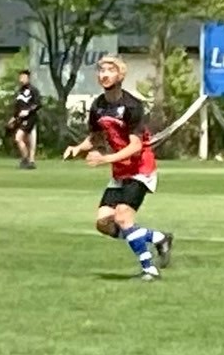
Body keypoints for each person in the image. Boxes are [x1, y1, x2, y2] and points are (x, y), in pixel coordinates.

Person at [62, 56, 174, 281]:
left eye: (110, 70)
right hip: (120, 171)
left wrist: (106, 159)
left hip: (140, 169)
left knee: (123, 218)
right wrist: (77, 148)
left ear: (120, 75)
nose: (104, 74)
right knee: (104, 223)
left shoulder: (132, 106)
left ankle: (149, 270)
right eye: (101, 70)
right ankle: (158, 238)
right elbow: (95, 137)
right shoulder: (98, 105)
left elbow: (135, 146)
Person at [7, 69, 41, 169]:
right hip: (21, 119)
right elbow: (17, 107)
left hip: (30, 118)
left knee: (18, 138)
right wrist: (13, 118)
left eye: (23, 77)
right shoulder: (20, 91)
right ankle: (29, 160)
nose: (21, 79)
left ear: (28, 78)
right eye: (20, 77)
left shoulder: (33, 90)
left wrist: (28, 111)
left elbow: (38, 104)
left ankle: (26, 159)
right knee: (25, 140)